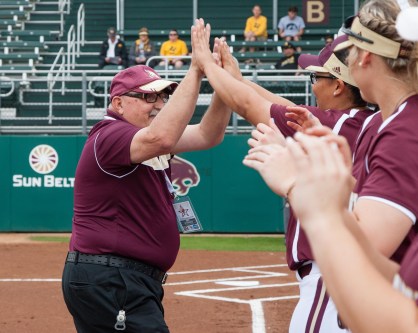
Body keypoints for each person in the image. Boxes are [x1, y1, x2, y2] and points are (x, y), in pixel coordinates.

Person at [244, 0, 418, 331]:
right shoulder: (391, 121)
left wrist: (297, 180)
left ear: (365, 57)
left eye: (350, 50)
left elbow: (365, 250)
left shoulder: (404, 128)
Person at [62, 19, 232, 333]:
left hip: (126, 281)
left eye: (163, 97)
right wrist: (195, 69)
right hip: (111, 280)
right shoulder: (110, 134)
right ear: (118, 103)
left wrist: (223, 83)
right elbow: (163, 138)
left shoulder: (144, 138)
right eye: (148, 97)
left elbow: (210, 134)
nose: (159, 104)